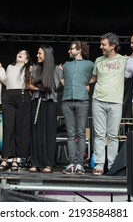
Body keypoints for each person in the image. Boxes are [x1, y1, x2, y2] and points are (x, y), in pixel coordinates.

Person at [89, 32, 128, 176]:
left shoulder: (124, 60)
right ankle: (99, 165)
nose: (101, 47)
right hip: (98, 100)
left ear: (113, 46)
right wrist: (82, 83)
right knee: (99, 134)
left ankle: (112, 166)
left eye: (103, 44)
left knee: (113, 135)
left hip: (116, 102)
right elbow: (94, 78)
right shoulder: (99, 60)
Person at [59, 41, 94, 175]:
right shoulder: (66, 65)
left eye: (71, 49)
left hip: (82, 101)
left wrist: (84, 82)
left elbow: (96, 76)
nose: (69, 51)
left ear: (79, 50)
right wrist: (67, 83)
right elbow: (61, 78)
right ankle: (72, 163)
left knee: (80, 133)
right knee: (70, 134)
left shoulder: (90, 64)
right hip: (67, 101)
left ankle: (79, 164)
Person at [28, 45, 60, 173]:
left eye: (40, 53)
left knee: (48, 132)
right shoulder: (34, 69)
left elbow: (55, 86)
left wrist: (43, 84)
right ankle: (35, 162)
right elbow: (29, 84)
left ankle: (48, 163)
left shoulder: (56, 69)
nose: (37, 55)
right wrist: (37, 88)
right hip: (37, 101)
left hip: (49, 102)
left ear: (46, 55)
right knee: (35, 132)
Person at [0, 50, 32, 171]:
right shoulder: (10, 67)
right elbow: (5, 81)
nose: (20, 53)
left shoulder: (29, 69)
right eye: (19, 52)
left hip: (22, 96)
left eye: (23, 53)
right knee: (8, 128)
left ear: (27, 59)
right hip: (8, 97)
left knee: (19, 129)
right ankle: (5, 158)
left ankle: (16, 160)